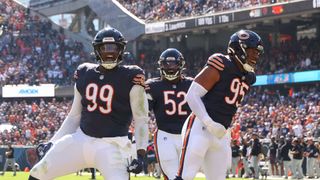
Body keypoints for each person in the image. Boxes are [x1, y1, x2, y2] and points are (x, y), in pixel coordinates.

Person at [28, 27, 149, 180]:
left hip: (113, 146)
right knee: (38, 173)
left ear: (122, 50)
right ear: (96, 50)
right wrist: (52, 142)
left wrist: (141, 154)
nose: (109, 52)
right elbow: (74, 116)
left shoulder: (131, 75)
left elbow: (141, 119)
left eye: (114, 48)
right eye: (104, 49)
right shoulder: (84, 72)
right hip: (81, 140)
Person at [174, 29, 263, 180]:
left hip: (222, 134)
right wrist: (209, 123)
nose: (256, 55)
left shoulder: (249, 77)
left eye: (258, 52)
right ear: (238, 48)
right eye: (252, 51)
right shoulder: (222, 63)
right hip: (200, 127)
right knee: (184, 176)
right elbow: (192, 96)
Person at [146, 48, 192, 180]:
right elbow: (143, 111)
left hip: (187, 136)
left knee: (187, 176)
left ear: (181, 65)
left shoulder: (191, 84)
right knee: (172, 175)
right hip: (165, 135)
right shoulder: (152, 86)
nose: (170, 67)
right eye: (166, 64)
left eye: (173, 64)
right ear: (161, 65)